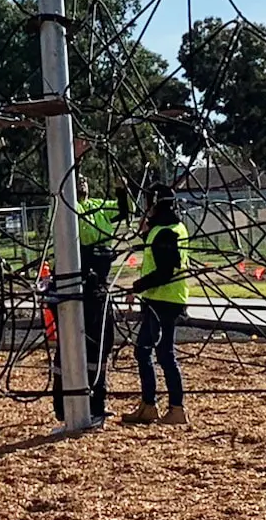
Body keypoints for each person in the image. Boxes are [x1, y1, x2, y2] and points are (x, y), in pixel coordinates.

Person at [127, 188, 189, 427]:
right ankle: (149, 404)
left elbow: (165, 271)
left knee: (165, 354)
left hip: (166, 300)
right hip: (156, 300)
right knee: (142, 351)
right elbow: (157, 248)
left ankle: (176, 408)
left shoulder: (165, 233)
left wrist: (137, 286)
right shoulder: (169, 228)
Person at [74, 181, 121, 415]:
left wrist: (122, 189)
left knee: (104, 342)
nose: (84, 181)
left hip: (99, 283)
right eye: (78, 177)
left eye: (84, 179)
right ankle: (76, 403)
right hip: (82, 284)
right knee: (84, 344)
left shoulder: (98, 206)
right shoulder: (68, 208)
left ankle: (98, 399)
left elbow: (123, 209)